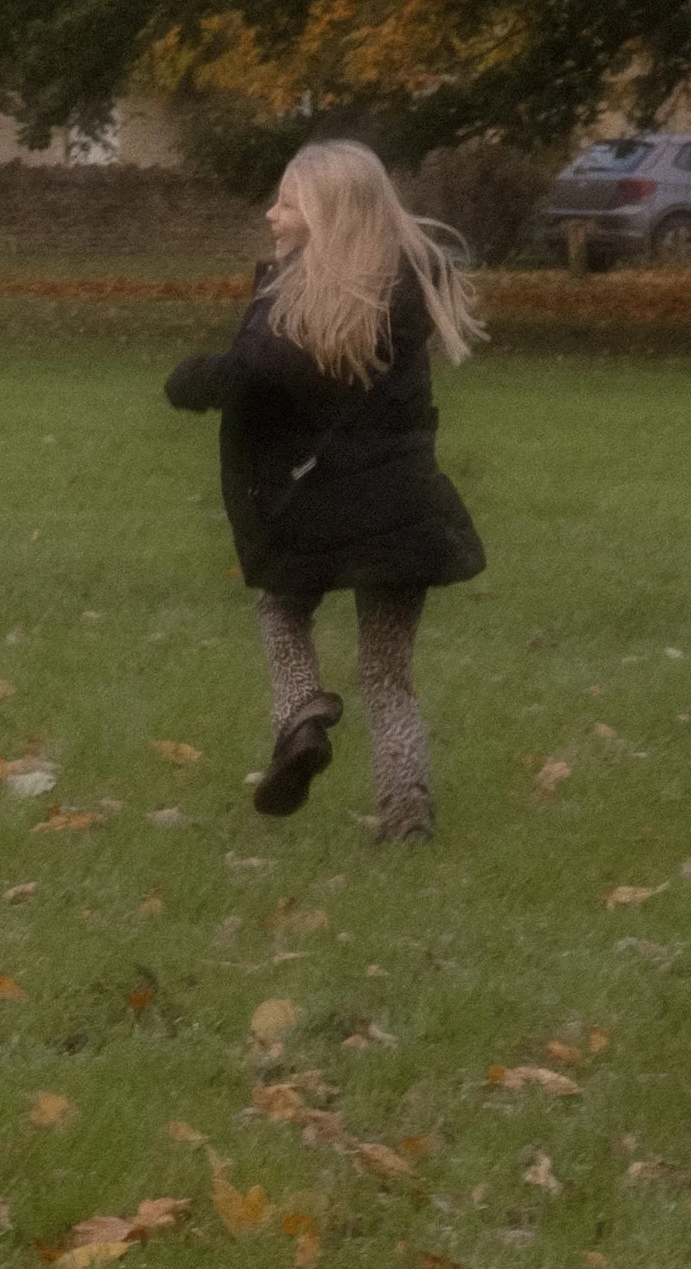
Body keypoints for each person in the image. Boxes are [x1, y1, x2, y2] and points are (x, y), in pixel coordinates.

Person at [164, 139, 484, 842]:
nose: (271, 213)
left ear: (327, 215)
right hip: (403, 510)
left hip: (311, 512)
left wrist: (189, 379)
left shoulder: (290, 309)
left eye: (287, 201)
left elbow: (240, 377)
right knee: (387, 674)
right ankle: (407, 811)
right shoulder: (400, 296)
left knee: (282, 612)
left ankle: (301, 718)